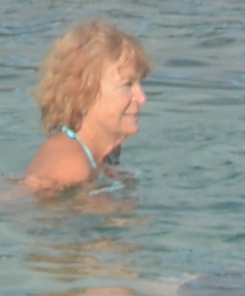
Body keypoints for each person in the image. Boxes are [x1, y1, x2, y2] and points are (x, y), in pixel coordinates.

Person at [13, 18, 150, 197]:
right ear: (84, 94)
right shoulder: (70, 165)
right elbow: (20, 206)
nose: (142, 98)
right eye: (127, 85)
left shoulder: (109, 153)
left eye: (139, 83)